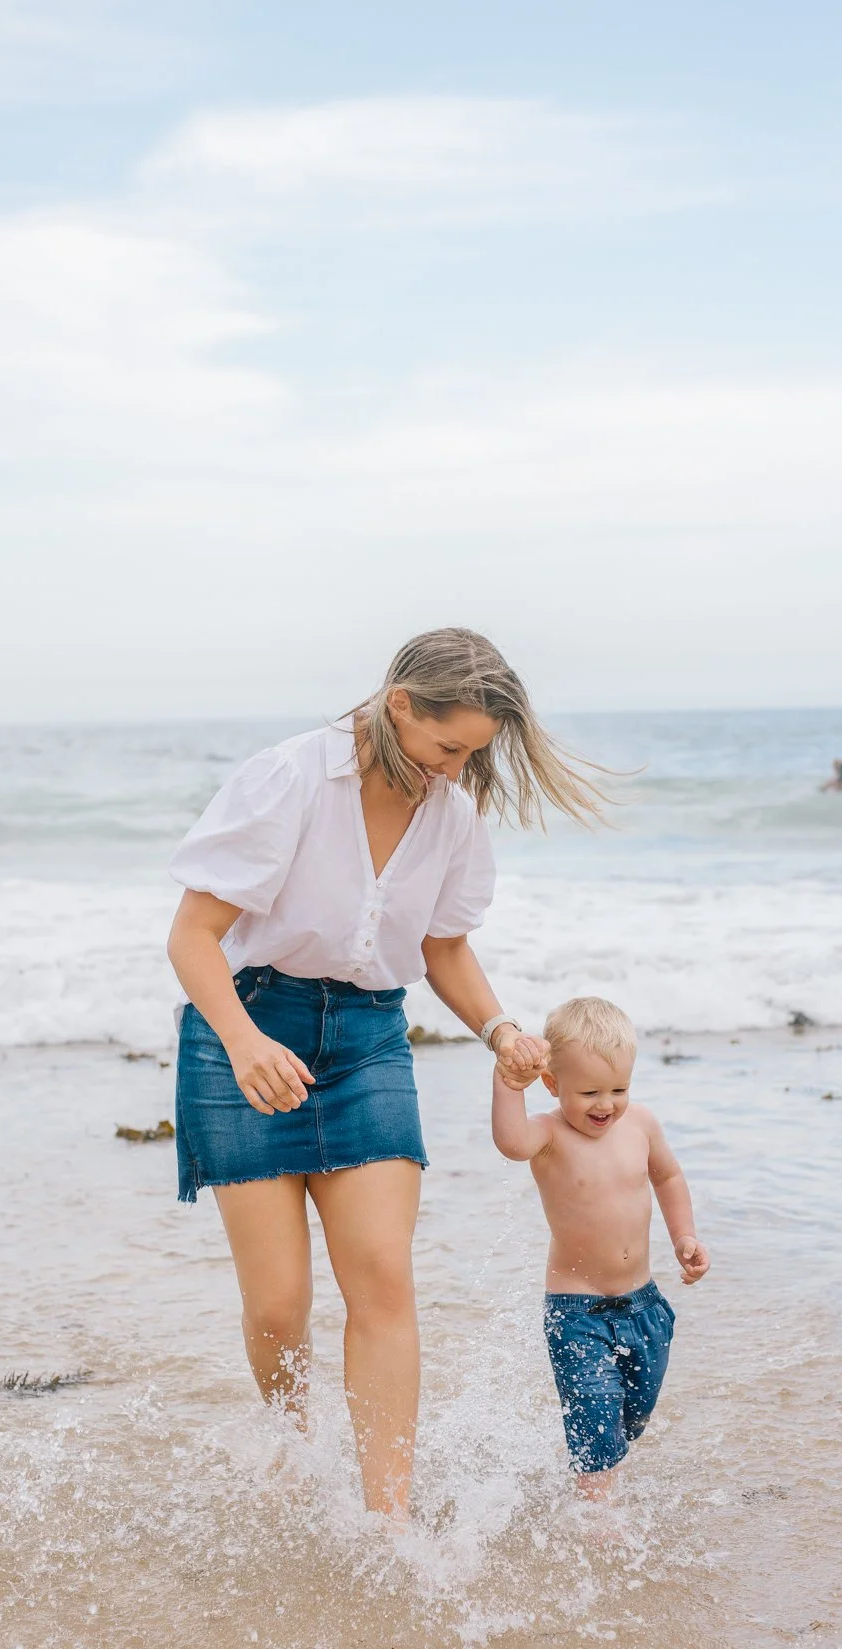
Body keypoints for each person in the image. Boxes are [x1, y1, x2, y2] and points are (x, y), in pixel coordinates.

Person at [165, 628, 604, 1520]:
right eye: (450, 748)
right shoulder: (287, 779)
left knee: (383, 1281)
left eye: (473, 756)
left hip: (367, 1038)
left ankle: (386, 1518)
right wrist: (247, 1042)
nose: (456, 771)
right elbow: (191, 936)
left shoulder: (452, 813)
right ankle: (291, 1445)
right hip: (246, 1029)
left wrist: (499, 1028)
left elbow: (443, 948)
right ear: (400, 704)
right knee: (281, 1305)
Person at [491, 995, 710, 1501]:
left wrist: (685, 1236)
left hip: (645, 1306)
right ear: (552, 1083)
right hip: (577, 1310)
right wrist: (508, 1082)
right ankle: (597, 1511)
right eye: (589, 1092)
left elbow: (669, 1176)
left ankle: (601, 1468)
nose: (605, 1104)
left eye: (619, 1089)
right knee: (593, 1405)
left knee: (631, 1416)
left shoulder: (641, 1125)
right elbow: (509, 1141)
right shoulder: (547, 1134)